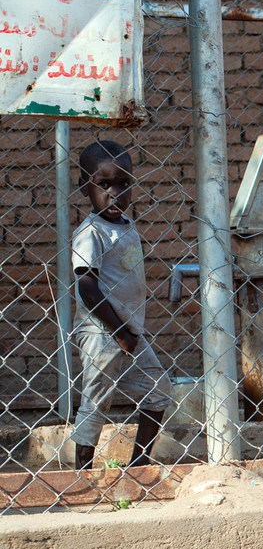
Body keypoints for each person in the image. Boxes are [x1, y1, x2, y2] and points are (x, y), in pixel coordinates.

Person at [70, 141, 172, 470]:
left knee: (158, 389)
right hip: (103, 332)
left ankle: (139, 465)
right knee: (97, 402)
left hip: (129, 332)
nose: (115, 193)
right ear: (85, 186)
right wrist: (119, 332)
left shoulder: (126, 227)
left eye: (124, 184)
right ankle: (81, 473)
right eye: (104, 184)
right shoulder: (91, 233)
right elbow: (86, 287)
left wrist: (128, 334)